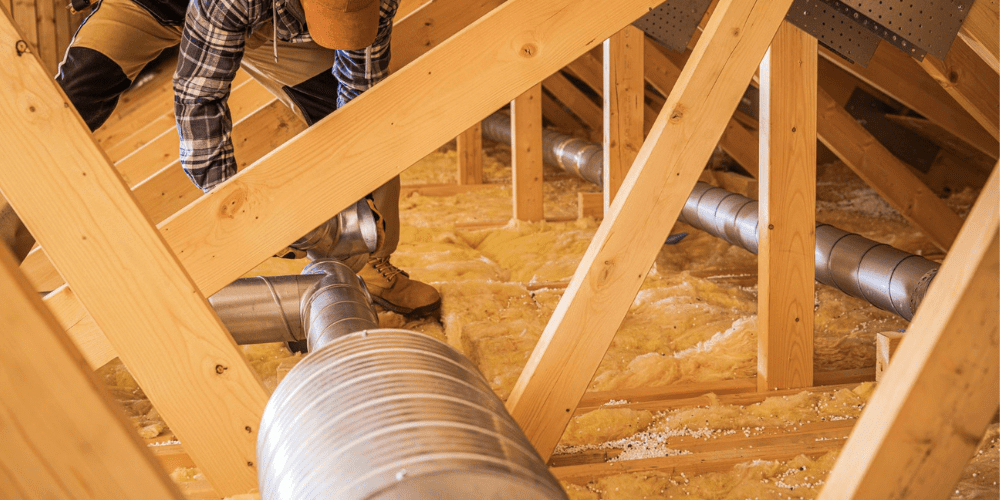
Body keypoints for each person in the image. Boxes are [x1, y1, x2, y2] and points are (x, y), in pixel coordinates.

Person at [1, 0, 441, 317]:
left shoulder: (374, 5)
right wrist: (240, 210)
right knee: (62, 111)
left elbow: (361, 96)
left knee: (368, 121)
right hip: (156, 5)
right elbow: (199, 97)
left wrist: (353, 204)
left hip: (272, 24)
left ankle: (358, 266)